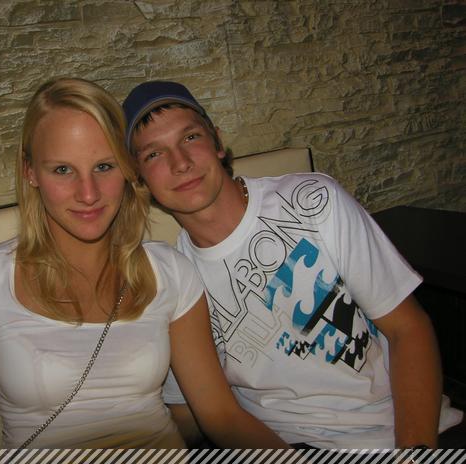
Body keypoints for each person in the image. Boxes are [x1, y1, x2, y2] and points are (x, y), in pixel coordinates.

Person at [0, 77, 290, 449]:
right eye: (63, 170)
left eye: (104, 166)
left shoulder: (170, 272)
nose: (88, 194)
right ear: (30, 171)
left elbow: (221, 417)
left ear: (127, 170)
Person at [122, 80, 463, 449]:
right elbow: (201, 415)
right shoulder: (174, 280)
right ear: (140, 180)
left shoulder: (312, 200)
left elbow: (407, 328)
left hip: (413, 428)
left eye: (190, 137)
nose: (181, 163)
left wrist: (414, 453)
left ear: (217, 141)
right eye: (153, 154)